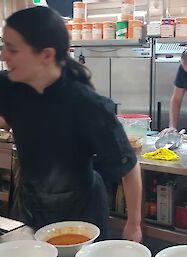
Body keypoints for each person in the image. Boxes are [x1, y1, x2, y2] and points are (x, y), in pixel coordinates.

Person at [0, 6, 142, 242]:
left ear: (46, 55)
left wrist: (134, 224)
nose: (3, 56)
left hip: (79, 216)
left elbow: (128, 167)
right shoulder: (10, 87)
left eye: (12, 49)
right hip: (29, 206)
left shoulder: (88, 105)